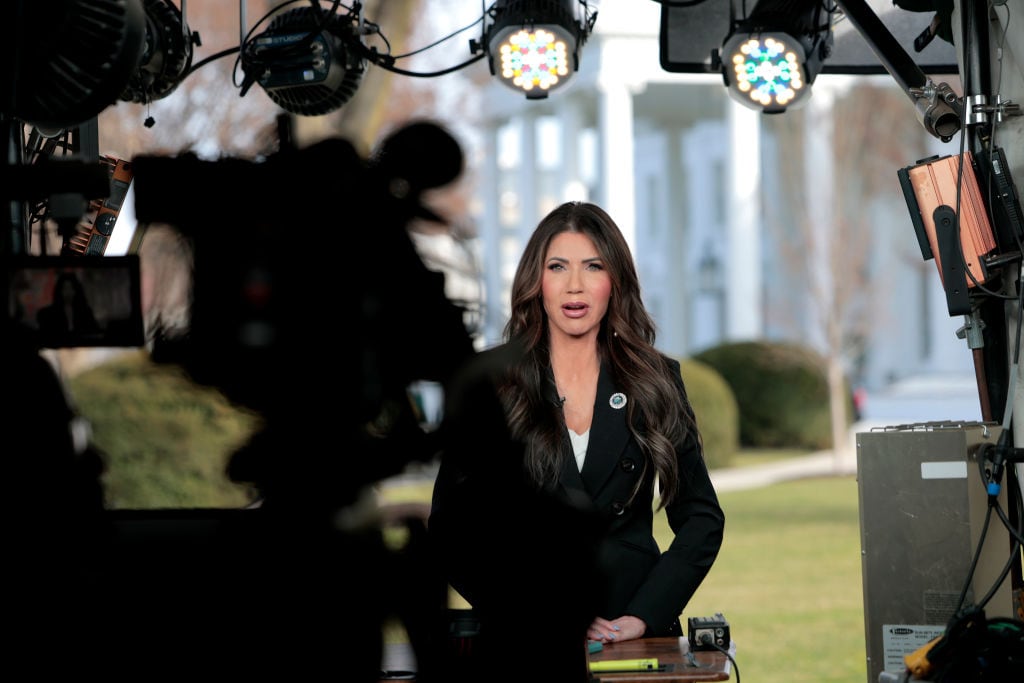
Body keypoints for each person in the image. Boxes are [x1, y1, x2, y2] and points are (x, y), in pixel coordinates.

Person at [428, 201, 726, 671]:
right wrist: (540, 614)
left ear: (615, 282)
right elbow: (451, 530)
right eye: (557, 267)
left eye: (593, 266)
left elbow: (702, 518)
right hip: (524, 636)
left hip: (633, 636)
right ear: (536, 282)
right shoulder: (493, 381)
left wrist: (645, 614)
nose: (575, 285)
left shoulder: (655, 379)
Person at [36, 270, 100, 335]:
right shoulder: (47, 314)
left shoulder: (86, 312)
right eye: (65, 288)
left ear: (76, 290)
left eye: (71, 288)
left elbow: (94, 332)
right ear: (59, 291)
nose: (68, 292)